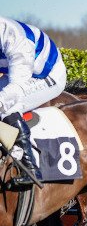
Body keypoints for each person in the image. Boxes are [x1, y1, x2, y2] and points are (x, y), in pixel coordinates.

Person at [0, 16, 67, 187]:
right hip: (18, 75)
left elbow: (16, 88)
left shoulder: (12, 36)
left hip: (46, 76)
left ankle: (30, 168)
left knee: (8, 106)